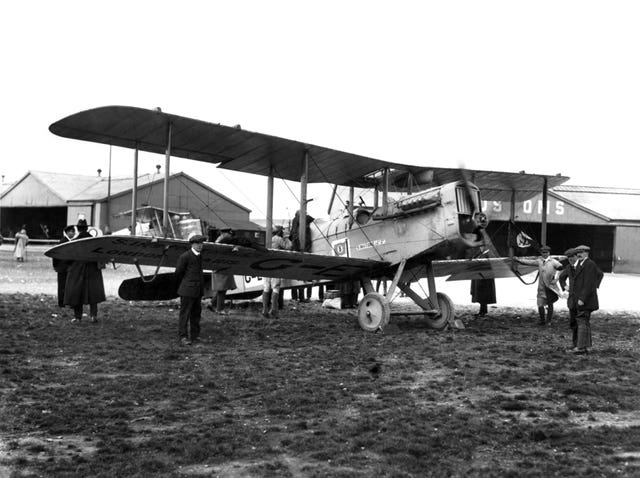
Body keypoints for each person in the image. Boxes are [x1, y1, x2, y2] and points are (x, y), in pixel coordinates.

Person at [64, 219, 106, 323]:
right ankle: (93, 316)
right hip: (92, 270)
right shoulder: (94, 241)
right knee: (93, 294)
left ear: (78, 229)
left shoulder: (74, 242)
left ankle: (78, 317)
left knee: (77, 294)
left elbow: (68, 258)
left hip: (77, 271)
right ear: (87, 228)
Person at [516, 245, 563, 325]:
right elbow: (529, 262)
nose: (545, 254)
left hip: (550, 286)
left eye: (546, 252)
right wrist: (517, 259)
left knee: (550, 303)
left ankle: (549, 321)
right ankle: (542, 321)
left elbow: (561, 268)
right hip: (541, 286)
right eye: (543, 252)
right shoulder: (539, 261)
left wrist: (556, 279)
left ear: (549, 253)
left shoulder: (553, 261)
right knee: (540, 304)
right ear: (541, 253)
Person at [570, 245, 604, 355]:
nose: (579, 254)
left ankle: (580, 348)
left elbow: (589, 283)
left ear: (587, 253)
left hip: (585, 300)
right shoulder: (582, 263)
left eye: (581, 252)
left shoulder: (589, 264)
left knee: (582, 322)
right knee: (584, 322)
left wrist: (583, 298)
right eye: (578, 252)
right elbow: (600, 274)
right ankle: (584, 346)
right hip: (582, 298)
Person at [175, 234, 206, 345]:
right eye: (197, 243)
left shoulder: (199, 256)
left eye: (201, 243)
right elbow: (178, 273)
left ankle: (195, 336)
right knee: (185, 315)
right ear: (192, 244)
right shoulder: (185, 256)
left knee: (196, 314)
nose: (200, 245)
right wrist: (186, 284)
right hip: (187, 290)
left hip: (197, 291)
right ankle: (183, 337)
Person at [262, 225, 289, 318]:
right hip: (276, 265)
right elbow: (289, 246)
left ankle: (264, 309)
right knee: (276, 288)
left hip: (265, 266)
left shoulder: (267, 239)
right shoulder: (278, 239)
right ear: (279, 232)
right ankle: (274, 310)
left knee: (266, 288)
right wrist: (286, 237)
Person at [211, 228, 237, 315]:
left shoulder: (219, 238)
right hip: (223, 267)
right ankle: (220, 309)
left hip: (218, 266)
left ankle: (213, 304)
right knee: (222, 290)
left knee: (220, 289)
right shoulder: (226, 237)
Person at [558, 247, 579, 349]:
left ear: (576, 256)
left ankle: (579, 344)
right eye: (569, 257)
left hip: (582, 300)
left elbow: (597, 275)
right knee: (573, 322)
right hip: (572, 300)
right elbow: (562, 277)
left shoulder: (583, 266)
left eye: (572, 257)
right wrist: (565, 286)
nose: (570, 259)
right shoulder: (568, 268)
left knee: (581, 323)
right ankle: (575, 343)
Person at [52, 226, 76, 309]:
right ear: (68, 232)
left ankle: (64, 302)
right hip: (63, 267)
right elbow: (55, 255)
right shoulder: (63, 242)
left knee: (65, 285)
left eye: (74, 231)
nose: (73, 233)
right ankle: (62, 302)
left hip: (64, 267)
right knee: (63, 286)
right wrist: (56, 266)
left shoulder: (66, 241)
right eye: (72, 231)